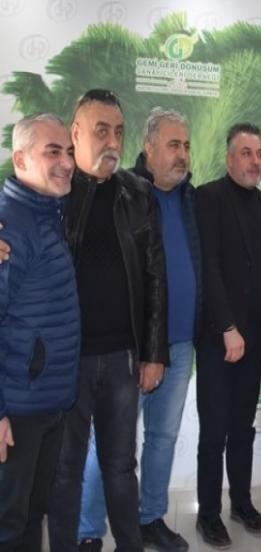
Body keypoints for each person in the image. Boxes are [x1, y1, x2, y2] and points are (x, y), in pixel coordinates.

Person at [48, 89, 168, 552]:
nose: (112, 141)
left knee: (120, 467)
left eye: (118, 131)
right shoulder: (54, 193)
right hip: (68, 361)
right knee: (65, 471)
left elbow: (156, 277)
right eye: (102, 130)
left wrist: (153, 353)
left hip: (122, 359)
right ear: (75, 132)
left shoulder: (138, 194)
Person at [76, 107, 200, 551]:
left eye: (186, 146)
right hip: (133, 345)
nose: (182, 154)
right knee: (110, 445)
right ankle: (88, 530)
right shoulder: (126, 192)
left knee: (163, 439)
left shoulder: (191, 198)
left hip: (181, 343)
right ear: (148, 147)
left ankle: (151, 518)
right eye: (173, 145)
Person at [0, 113, 79, 551]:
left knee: (31, 514)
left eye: (69, 151)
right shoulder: (11, 225)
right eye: (53, 152)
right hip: (17, 409)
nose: (67, 162)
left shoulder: (48, 211)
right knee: (9, 525)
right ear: (20, 159)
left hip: (46, 401)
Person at [194, 122, 261, 548]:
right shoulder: (208, 197)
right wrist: (227, 327)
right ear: (228, 158)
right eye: (246, 153)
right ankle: (208, 514)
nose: (255, 162)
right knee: (214, 432)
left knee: (243, 427)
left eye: (259, 154)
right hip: (219, 340)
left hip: (254, 340)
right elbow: (209, 267)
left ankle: (241, 502)